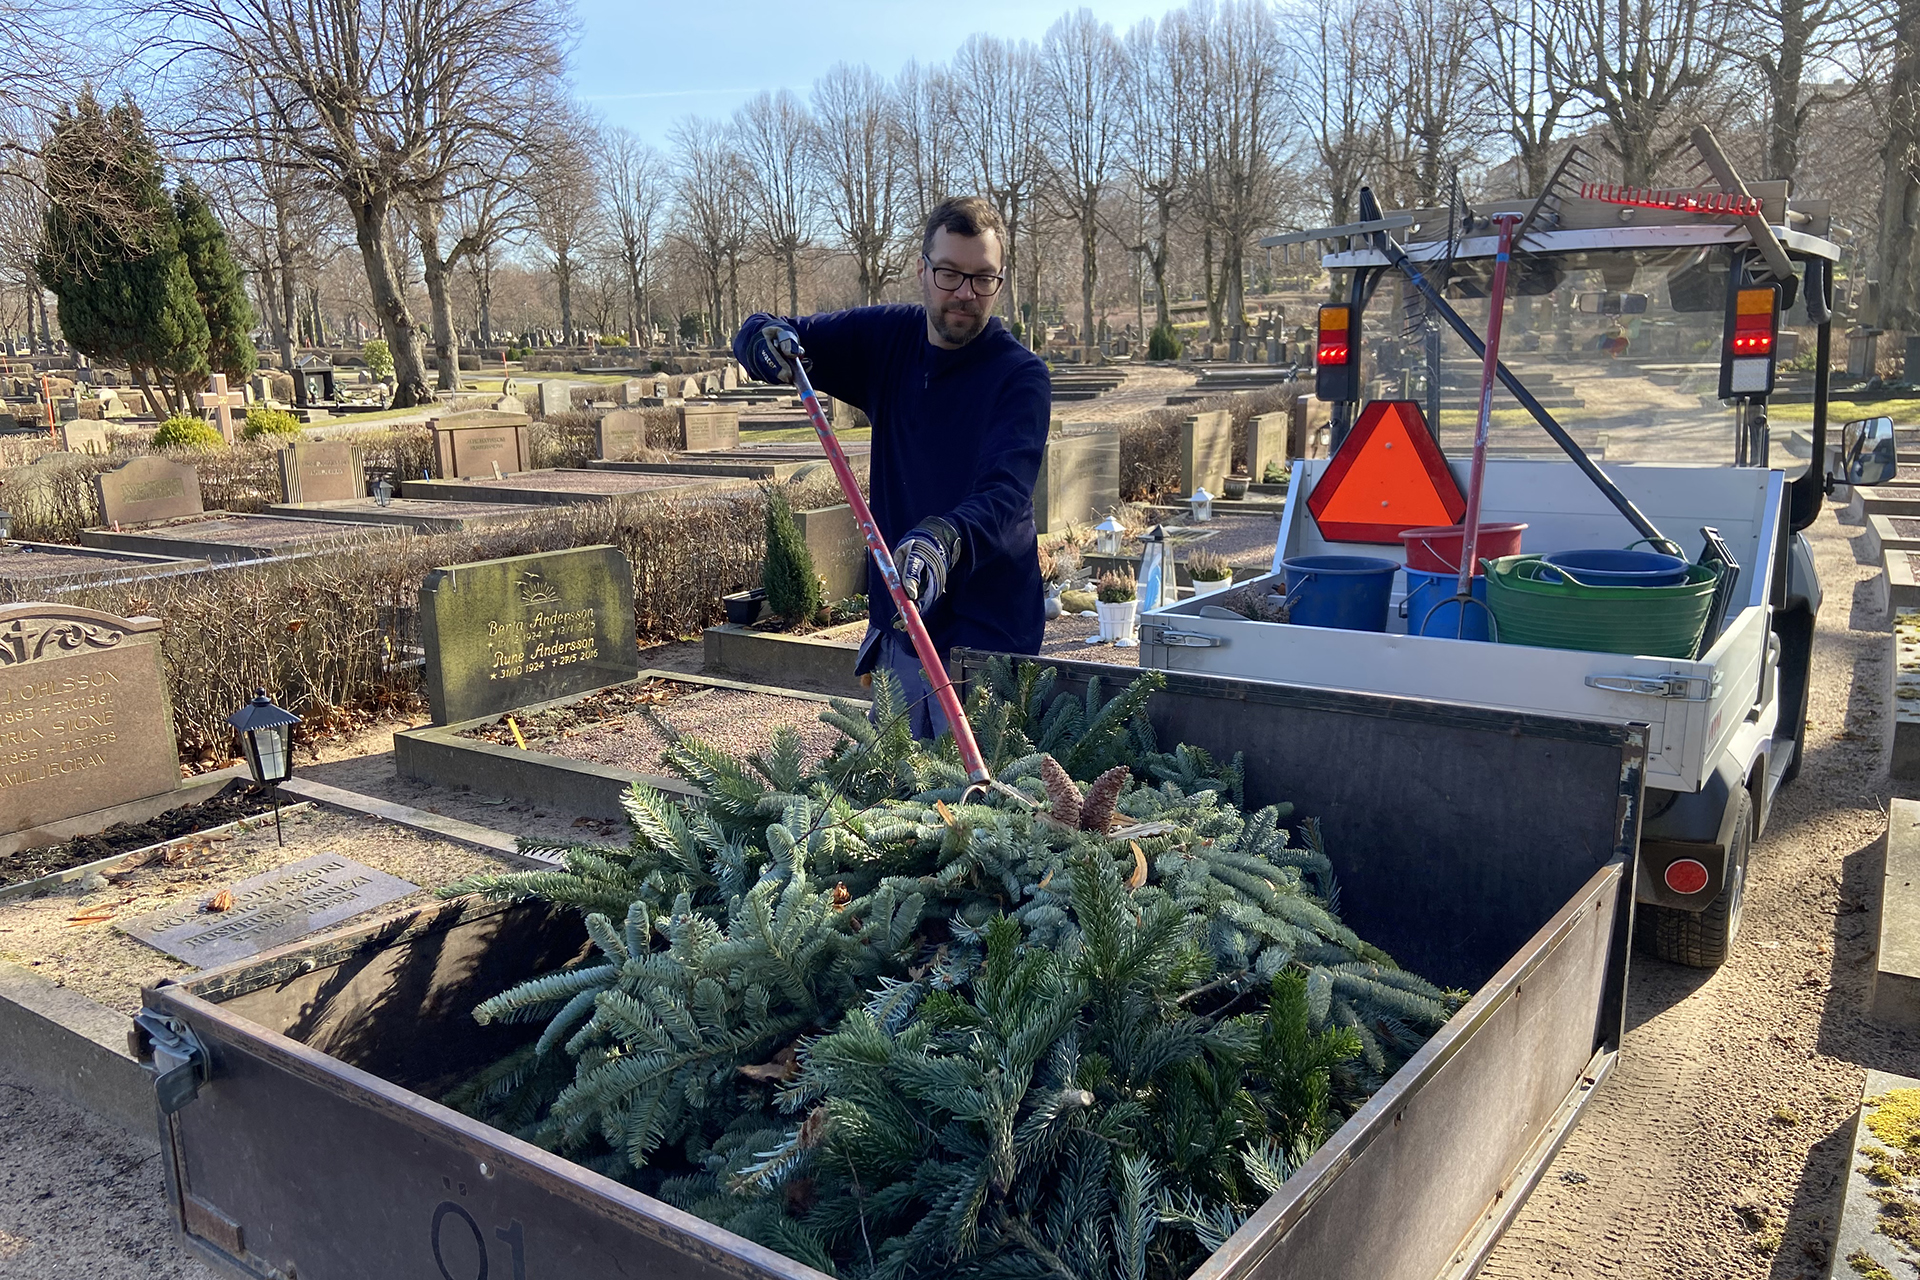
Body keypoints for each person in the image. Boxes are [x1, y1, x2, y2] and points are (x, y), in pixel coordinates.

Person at [734, 195, 1050, 740]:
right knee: (902, 802)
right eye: (950, 274)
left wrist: (944, 538)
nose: (965, 295)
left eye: (983, 280)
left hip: (988, 637)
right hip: (902, 626)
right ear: (922, 270)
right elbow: (780, 331)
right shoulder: (888, 339)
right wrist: (760, 342)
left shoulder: (1019, 377)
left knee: (981, 813)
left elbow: (1006, 494)